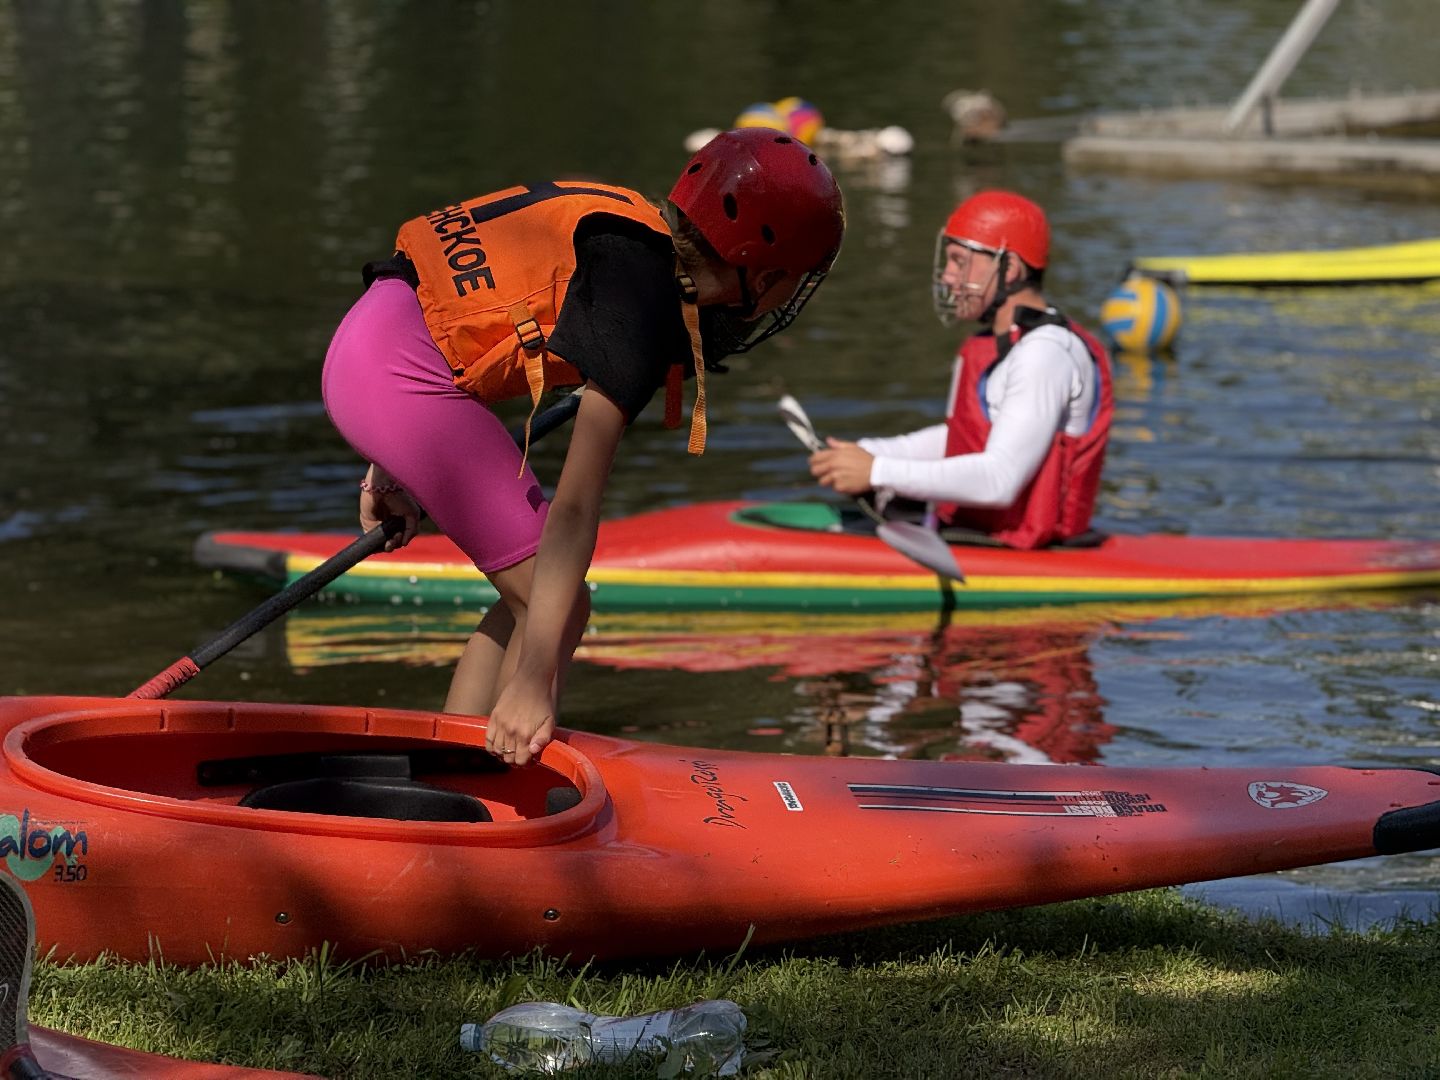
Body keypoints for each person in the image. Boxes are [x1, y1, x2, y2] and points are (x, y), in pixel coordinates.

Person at [322, 129, 845, 766]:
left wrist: (392, 467)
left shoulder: (628, 233)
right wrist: (533, 684)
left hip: (379, 341)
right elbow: (574, 507)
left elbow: (452, 302)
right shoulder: (643, 307)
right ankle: (484, 788)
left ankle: (450, 775)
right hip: (400, 376)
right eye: (795, 281)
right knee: (557, 603)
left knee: (538, 598)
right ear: (763, 276)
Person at [808, 189, 1112, 550]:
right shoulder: (998, 346)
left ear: (1009, 268)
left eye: (959, 261)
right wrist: (872, 452)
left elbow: (1000, 480)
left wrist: (877, 472)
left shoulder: (1045, 354)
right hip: (982, 536)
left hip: (1031, 551)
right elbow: (962, 437)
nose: (949, 277)